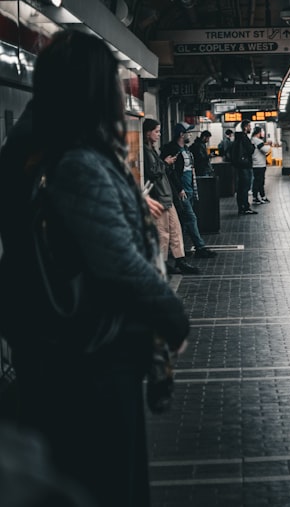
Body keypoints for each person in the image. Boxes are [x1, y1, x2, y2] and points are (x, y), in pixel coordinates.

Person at [0, 31, 190, 507]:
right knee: (110, 482)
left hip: (65, 354)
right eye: (111, 82)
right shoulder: (79, 163)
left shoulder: (41, 148)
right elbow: (120, 263)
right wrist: (171, 312)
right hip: (91, 359)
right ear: (92, 92)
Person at [142, 119, 199, 275]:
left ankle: (180, 260)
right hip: (158, 197)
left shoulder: (152, 150)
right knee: (163, 232)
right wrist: (165, 163)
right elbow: (152, 172)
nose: (159, 134)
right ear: (148, 132)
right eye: (157, 131)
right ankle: (163, 262)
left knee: (175, 230)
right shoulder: (144, 152)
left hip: (166, 195)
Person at [161, 123, 217, 258]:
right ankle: (200, 247)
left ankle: (178, 249)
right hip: (181, 191)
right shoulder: (172, 150)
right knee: (191, 218)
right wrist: (179, 189)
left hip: (189, 189)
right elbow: (171, 173)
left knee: (183, 221)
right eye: (188, 132)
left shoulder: (186, 149)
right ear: (181, 134)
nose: (190, 135)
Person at [231, 119, 256, 215]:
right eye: (249, 126)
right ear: (245, 127)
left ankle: (241, 207)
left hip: (240, 166)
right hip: (245, 165)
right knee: (245, 187)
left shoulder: (238, 138)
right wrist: (252, 146)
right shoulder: (244, 138)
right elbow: (250, 150)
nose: (251, 128)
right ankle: (245, 207)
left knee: (241, 188)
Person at [251, 125, 272, 204]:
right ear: (258, 133)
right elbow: (265, 150)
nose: (262, 134)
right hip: (259, 164)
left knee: (259, 181)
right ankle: (256, 197)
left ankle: (262, 196)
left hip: (256, 163)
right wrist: (269, 145)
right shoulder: (257, 141)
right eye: (262, 132)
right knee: (258, 181)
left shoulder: (252, 140)